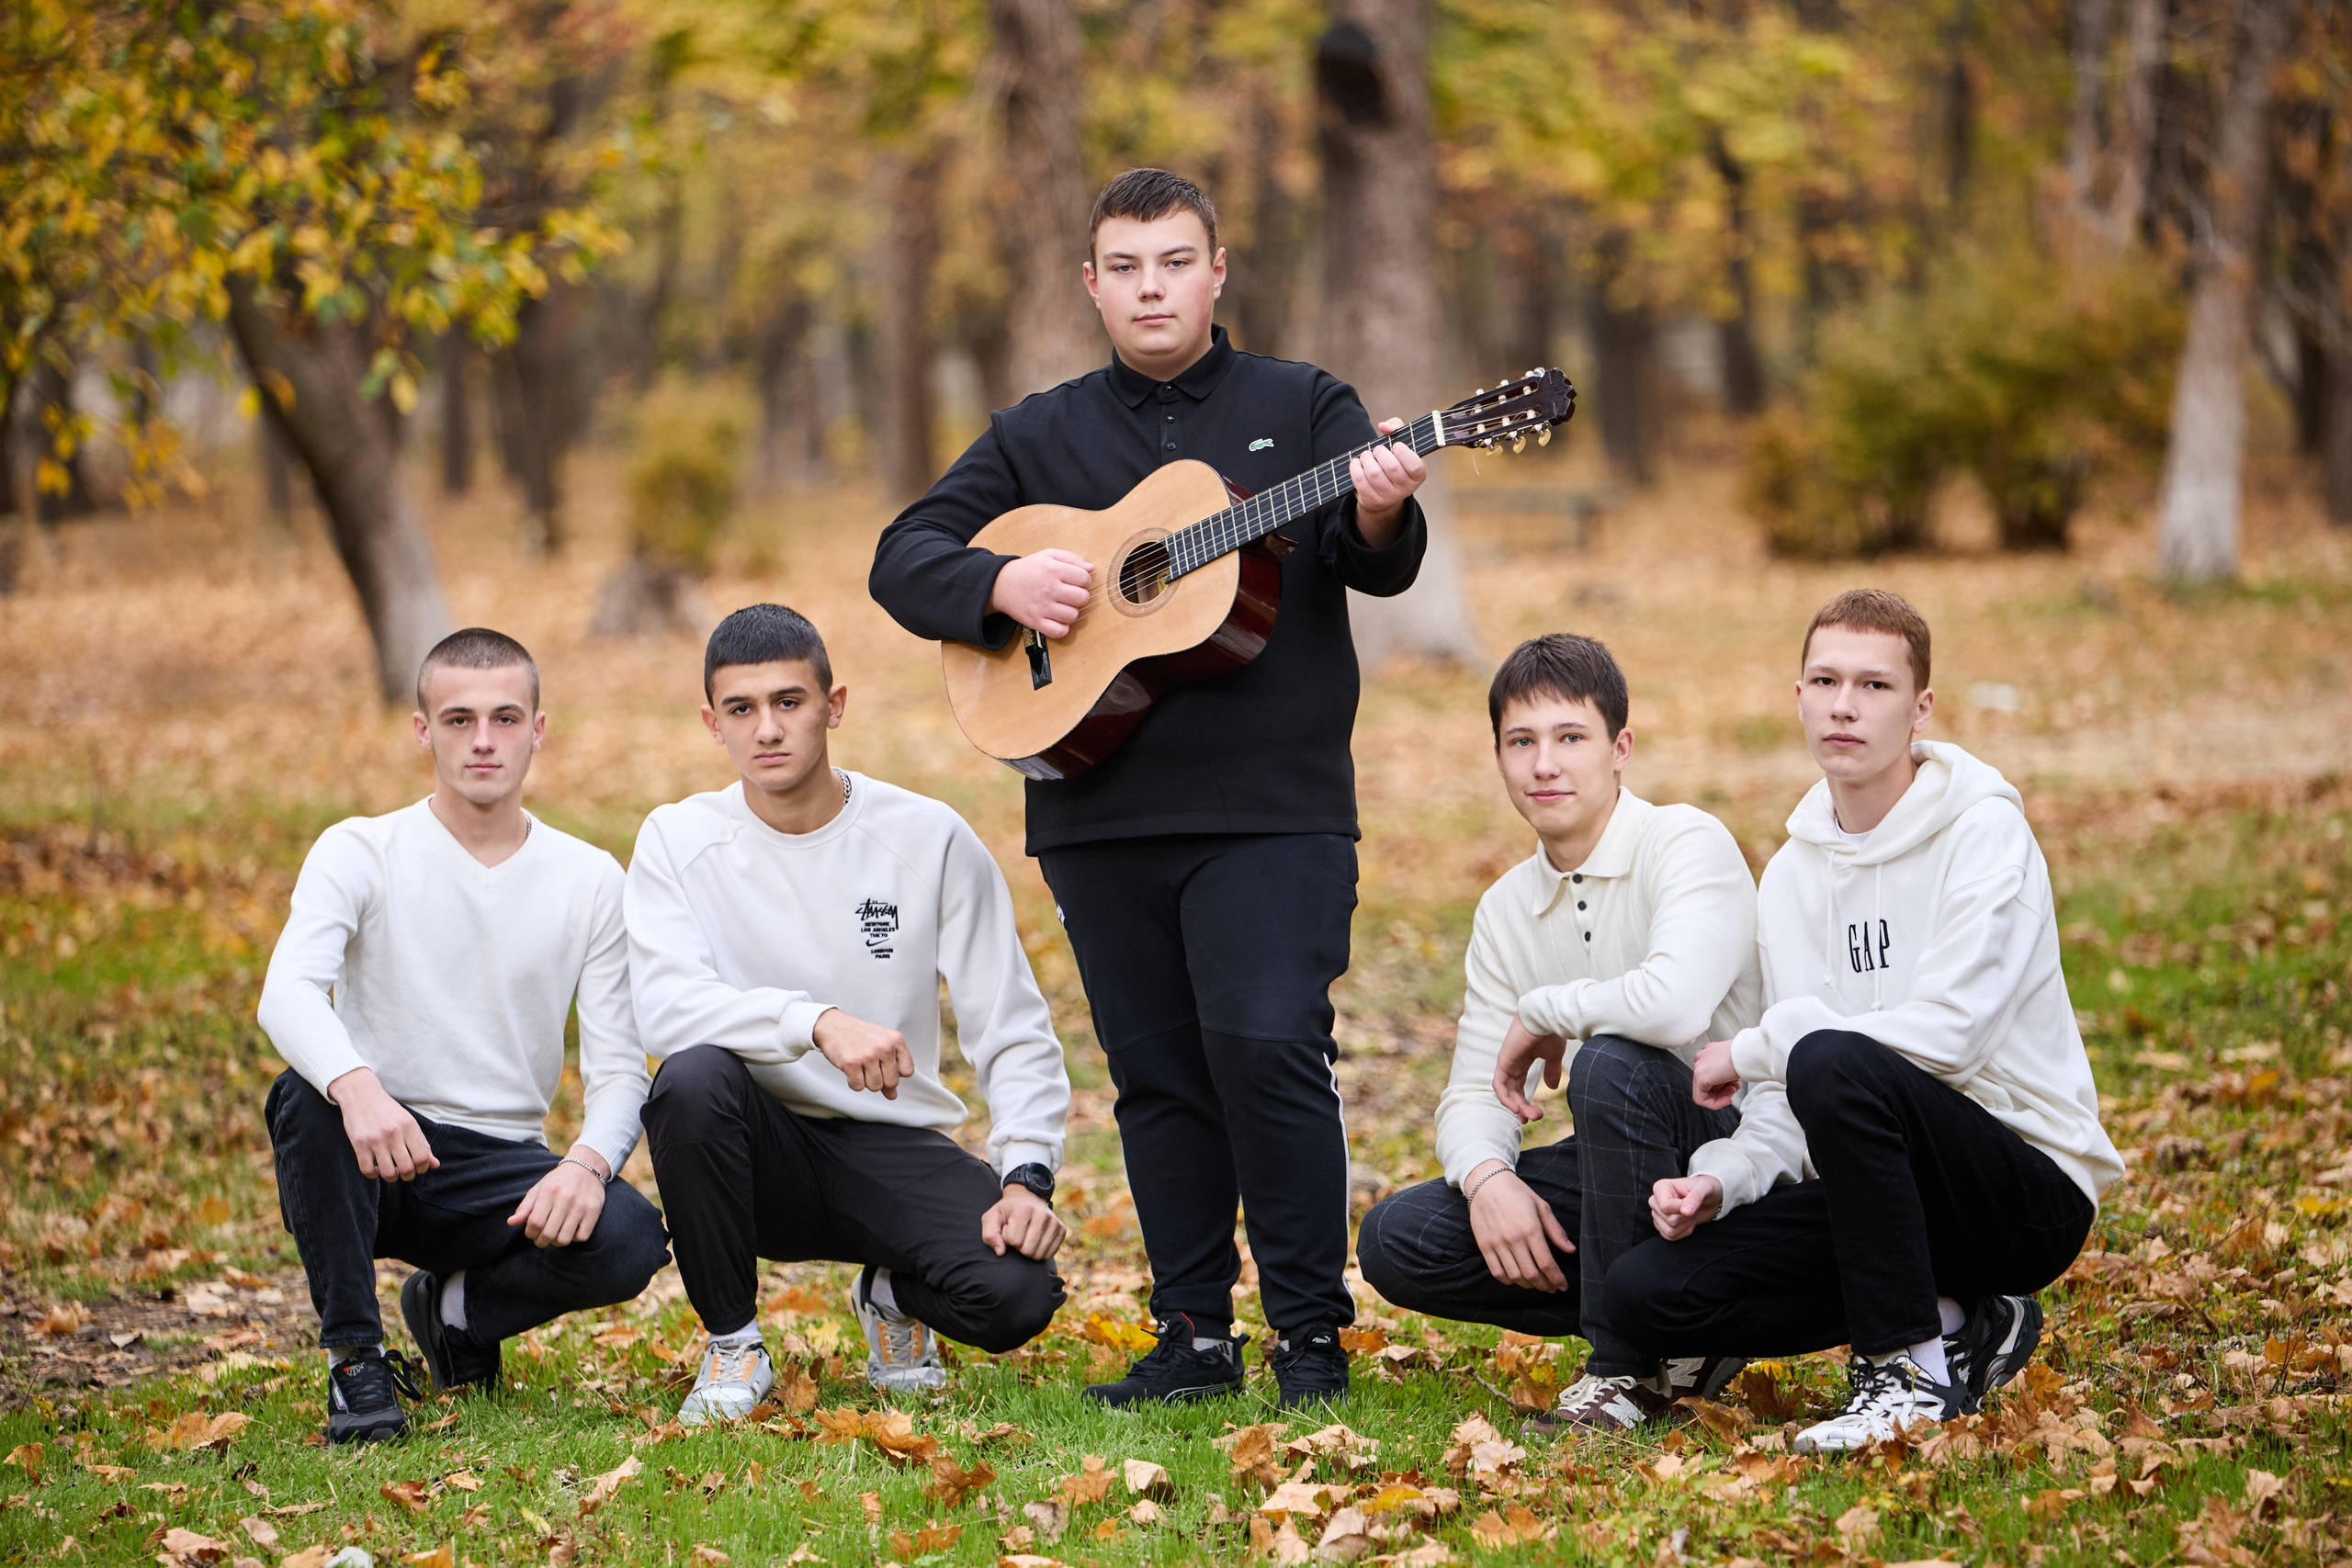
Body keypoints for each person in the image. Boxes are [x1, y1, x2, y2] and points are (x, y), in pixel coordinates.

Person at [869, 167, 1428, 1409]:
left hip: (1275, 808)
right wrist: (997, 589)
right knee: (1160, 1074)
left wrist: (1384, 511)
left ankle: (1307, 1332)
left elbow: (1369, 562)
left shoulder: (1305, 404)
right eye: (1125, 268)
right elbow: (902, 555)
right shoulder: (1039, 432)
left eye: (1174, 261)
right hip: (1099, 802)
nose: (1151, 287)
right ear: (1092, 284)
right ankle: (1193, 1331)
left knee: (1267, 1043)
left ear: (1217, 270)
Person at [1602, 589, 2124, 1453]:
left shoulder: (1985, 833)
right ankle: (1964, 1317)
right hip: (1878, 1194)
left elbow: (1947, 1038)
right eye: (1825, 679)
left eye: (1875, 686)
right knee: (1646, 1291)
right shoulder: (1794, 875)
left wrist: (1765, 1045)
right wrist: (1725, 1178)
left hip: (2021, 1186)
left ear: (1921, 708)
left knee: (1832, 1059)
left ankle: (1909, 1373)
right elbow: (1788, 1095)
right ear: (1798, 695)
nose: (1845, 704)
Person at [628, 604, 1071, 1423]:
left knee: (1018, 1292)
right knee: (691, 1078)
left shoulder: (926, 837)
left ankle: (891, 1292)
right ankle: (734, 1343)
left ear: (835, 706)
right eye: (741, 708)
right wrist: (816, 1020)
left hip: (890, 1141)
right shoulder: (678, 838)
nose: (767, 728)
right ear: (711, 723)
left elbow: (1009, 1022)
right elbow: (663, 1008)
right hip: (751, 1147)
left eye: (790, 702)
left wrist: (1027, 1175)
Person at [1354, 634, 1792, 1430]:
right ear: (1498, 757)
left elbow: (1676, 1009)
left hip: (1744, 1156)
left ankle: (1626, 1365)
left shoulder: (1686, 843)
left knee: (1613, 1065)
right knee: (1397, 1235)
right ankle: (1689, 1331)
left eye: (1570, 737)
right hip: (1627, 1173)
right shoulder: (1506, 909)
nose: (1544, 764)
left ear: (1619, 747)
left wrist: (1545, 1010)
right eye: (1521, 742)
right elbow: (1470, 1091)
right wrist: (1490, 1180)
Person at [256, 629, 670, 1445]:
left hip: (498, 1169)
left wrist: (586, 1165)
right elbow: (287, 992)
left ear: (537, 730)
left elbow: (621, 1069)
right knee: (306, 1094)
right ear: (423, 730)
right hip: (372, 1154)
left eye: (506, 718)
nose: (483, 740)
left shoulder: (589, 878)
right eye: (458, 719)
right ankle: (356, 1361)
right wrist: (360, 1087)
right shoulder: (361, 849)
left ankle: (451, 1313)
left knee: (631, 1235)